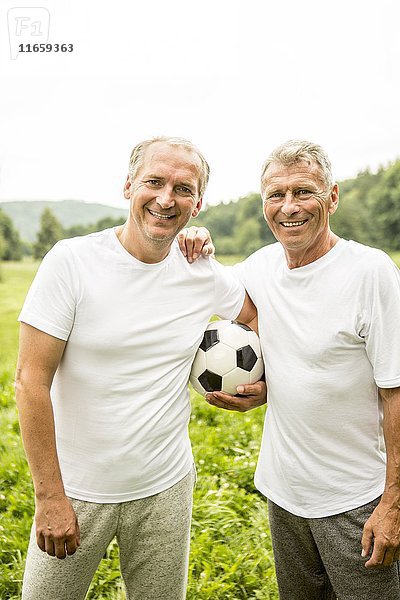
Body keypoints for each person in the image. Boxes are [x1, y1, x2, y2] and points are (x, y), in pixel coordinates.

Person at [15, 136, 265, 600]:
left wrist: (261, 387)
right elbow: (31, 381)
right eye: (154, 181)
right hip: (76, 488)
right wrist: (49, 497)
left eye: (183, 189)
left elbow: (252, 318)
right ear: (129, 185)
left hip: (165, 486)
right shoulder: (71, 262)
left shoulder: (201, 271)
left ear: (198, 203)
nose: (166, 198)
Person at [180, 140, 400, 600]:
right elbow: (217, 293)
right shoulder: (259, 268)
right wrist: (198, 241)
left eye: (304, 192)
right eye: (275, 195)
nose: (289, 207)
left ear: (333, 197)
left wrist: (393, 503)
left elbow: (395, 391)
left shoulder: (370, 272)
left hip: (357, 500)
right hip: (284, 494)